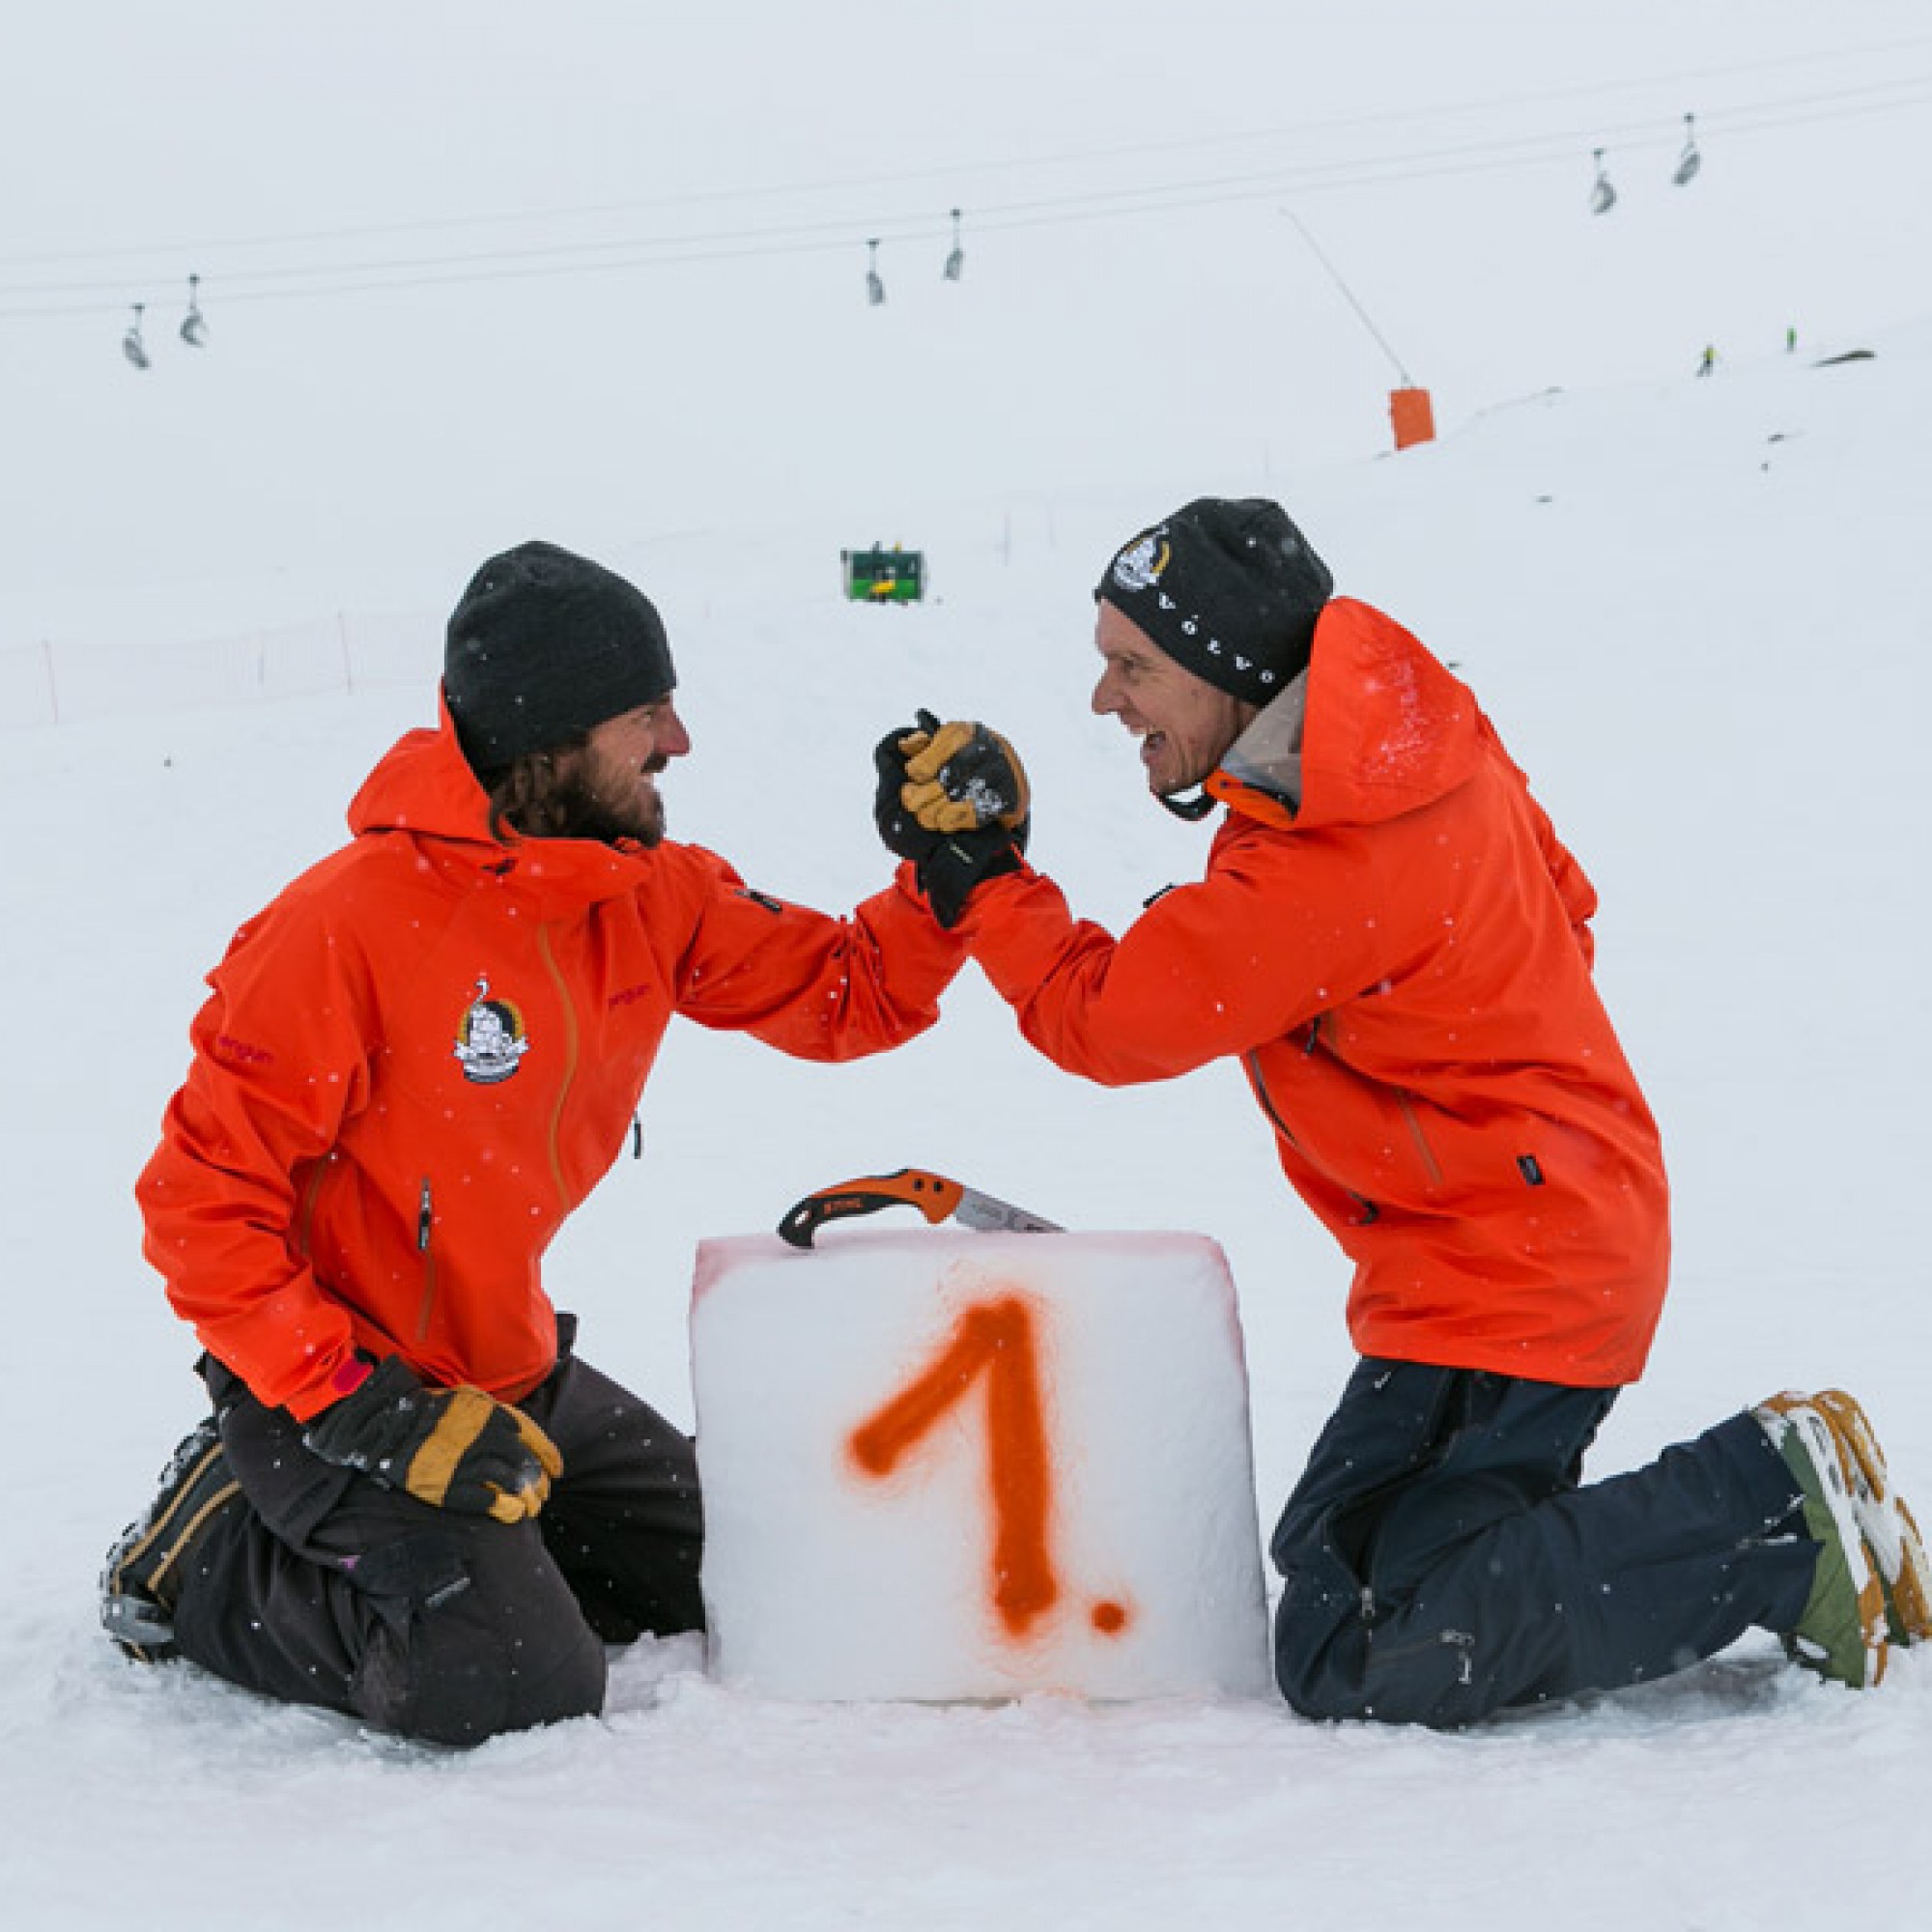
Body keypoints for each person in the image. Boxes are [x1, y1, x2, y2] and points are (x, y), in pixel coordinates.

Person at [871, 496, 1930, 1726]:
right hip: (1525, 1219)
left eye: (1131, 667)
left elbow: (1104, 1024)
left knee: (1356, 1643)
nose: (1105, 702)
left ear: (1224, 670)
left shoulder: (1322, 856)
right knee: (1336, 1549)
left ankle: (1766, 1516)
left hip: (1510, 1263)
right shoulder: (1408, 747)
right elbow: (1563, 903)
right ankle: (1721, 1518)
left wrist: (989, 881)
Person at [104, 539, 970, 1746]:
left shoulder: (648, 887)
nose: (677, 742)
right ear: (548, 738)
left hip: (504, 1364)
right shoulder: (341, 927)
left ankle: (481, 1538)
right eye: (645, 714)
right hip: (332, 1389)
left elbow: (845, 995)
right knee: (506, 1681)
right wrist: (354, 1404)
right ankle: (209, 1547)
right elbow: (198, 1205)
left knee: (757, 1584)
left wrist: (946, 873)